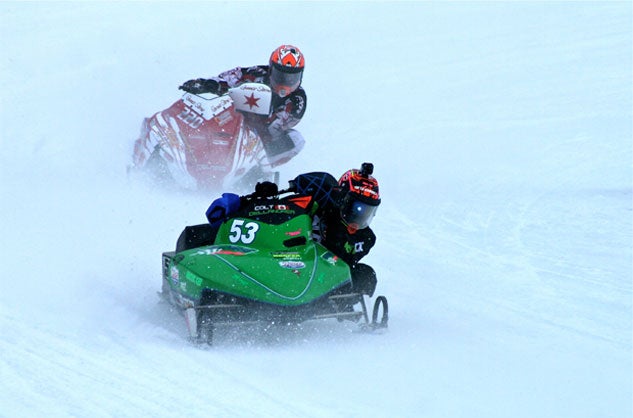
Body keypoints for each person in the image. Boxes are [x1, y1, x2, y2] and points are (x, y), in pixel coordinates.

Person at [203, 163, 381, 296]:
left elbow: (344, 266)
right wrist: (264, 199)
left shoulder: (365, 239)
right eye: (355, 209)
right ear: (341, 199)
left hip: (322, 277)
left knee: (365, 276)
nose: (359, 218)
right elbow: (284, 210)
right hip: (288, 261)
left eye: (367, 212)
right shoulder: (315, 206)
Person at [179, 44, 307, 167]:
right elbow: (228, 77)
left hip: (262, 138)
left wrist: (257, 125)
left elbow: (276, 128)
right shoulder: (255, 73)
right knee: (209, 103)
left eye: (292, 77)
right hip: (232, 118)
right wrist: (206, 83)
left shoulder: (297, 100)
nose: (286, 81)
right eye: (281, 75)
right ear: (271, 69)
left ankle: (258, 165)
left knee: (296, 140)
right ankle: (188, 140)